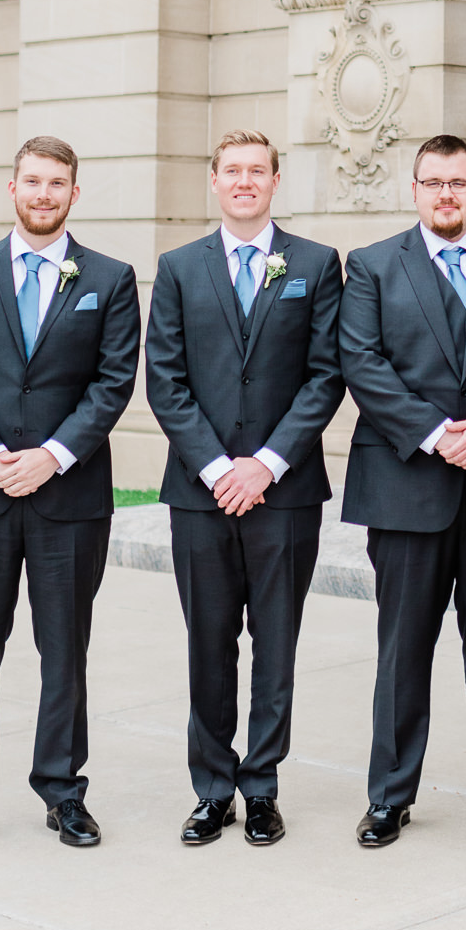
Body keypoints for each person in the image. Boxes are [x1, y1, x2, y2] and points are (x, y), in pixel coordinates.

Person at [0, 137, 140, 853]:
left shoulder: (110, 277)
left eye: (58, 183)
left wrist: (51, 456)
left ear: (76, 192)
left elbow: (112, 382)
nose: (44, 194)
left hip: (67, 498)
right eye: (33, 181)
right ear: (11, 187)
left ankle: (63, 792)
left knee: (63, 651)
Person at [339, 134, 466, 848]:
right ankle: (391, 794)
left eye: (459, 182)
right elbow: (362, 363)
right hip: (405, 485)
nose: (447, 195)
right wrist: (436, 434)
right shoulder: (371, 266)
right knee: (404, 648)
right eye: (434, 183)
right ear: (415, 190)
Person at [145, 130, 343, 848]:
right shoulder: (176, 267)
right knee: (209, 643)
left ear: (275, 181)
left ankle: (261, 786)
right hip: (200, 494)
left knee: (277, 645)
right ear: (213, 180)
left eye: (257, 171)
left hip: (283, 493)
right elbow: (163, 380)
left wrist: (265, 463)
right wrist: (217, 467)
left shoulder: (316, 265)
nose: (244, 181)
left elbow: (326, 375)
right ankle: (210, 789)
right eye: (232, 171)